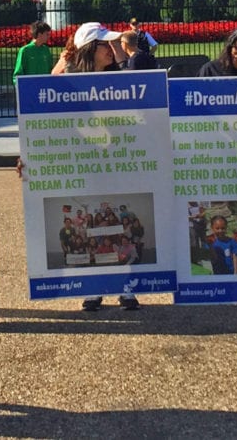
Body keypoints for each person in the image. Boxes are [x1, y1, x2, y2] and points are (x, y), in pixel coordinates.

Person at [53, 22, 138, 311]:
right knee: (91, 230)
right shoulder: (66, 80)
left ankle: (124, 287)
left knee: (116, 230)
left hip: (115, 162)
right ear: (91, 49)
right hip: (84, 164)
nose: (112, 48)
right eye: (106, 44)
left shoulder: (119, 78)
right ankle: (94, 288)